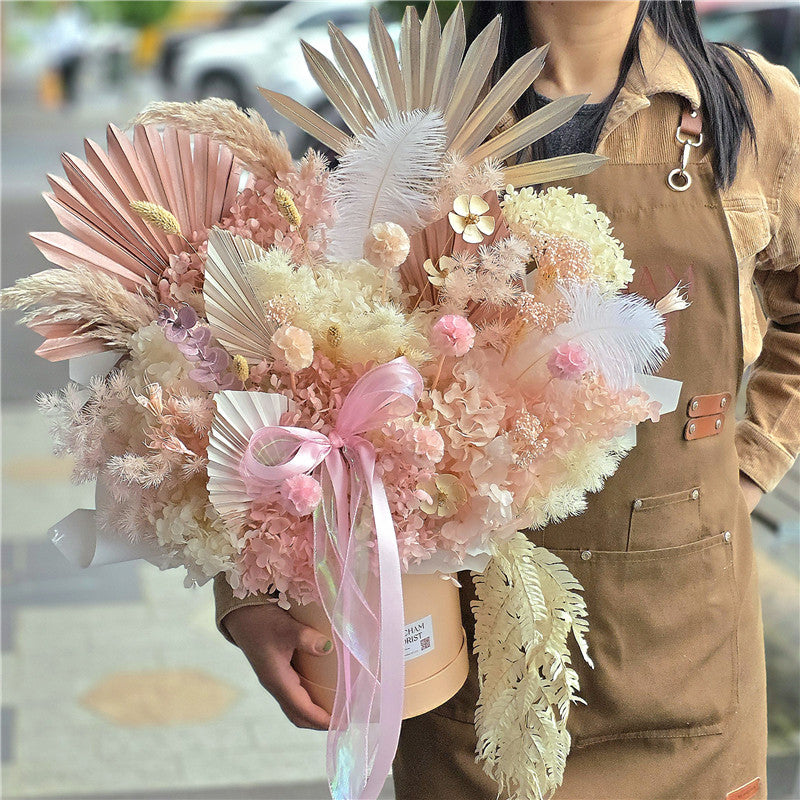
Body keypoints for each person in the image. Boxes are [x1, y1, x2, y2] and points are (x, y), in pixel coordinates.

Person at [213, 2, 800, 798]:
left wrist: (751, 459)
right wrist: (253, 592)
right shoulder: (402, 118)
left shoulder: (753, 109)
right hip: (463, 656)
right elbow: (277, 367)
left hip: (682, 659)